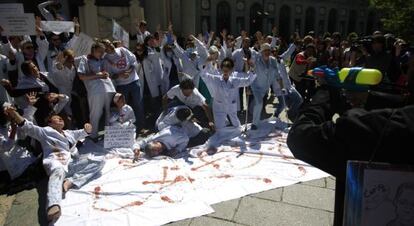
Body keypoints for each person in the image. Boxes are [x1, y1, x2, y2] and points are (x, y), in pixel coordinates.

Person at [287, 54, 414, 226]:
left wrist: (325, 92)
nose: (406, 72)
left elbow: (300, 137)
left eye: (408, 67)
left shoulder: (375, 128)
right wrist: (366, 97)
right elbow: (405, 104)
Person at [6, 108, 103, 223]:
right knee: (58, 172)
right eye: (56, 118)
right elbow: (27, 126)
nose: (60, 118)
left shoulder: (69, 133)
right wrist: (15, 114)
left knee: (99, 161)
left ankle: (71, 181)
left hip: (71, 163)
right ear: (50, 123)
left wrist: (88, 128)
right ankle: (53, 204)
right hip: (56, 163)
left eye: (60, 118)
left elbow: (84, 132)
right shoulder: (45, 132)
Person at [200, 57, 256, 151]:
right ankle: (222, 137)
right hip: (219, 106)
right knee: (219, 129)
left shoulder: (235, 80)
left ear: (231, 70)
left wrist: (252, 69)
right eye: (224, 70)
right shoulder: (215, 79)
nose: (225, 72)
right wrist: (207, 62)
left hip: (231, 106)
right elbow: (203, 75)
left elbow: (248, 81)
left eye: (228, 70)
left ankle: (233, 136)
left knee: (237, 127)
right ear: (221, 70)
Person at [102, 39, 144, 131]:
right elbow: (109, 76)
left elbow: (133, 61)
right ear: (105, 50)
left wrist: (129, 71)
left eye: (110, 43)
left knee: (138, 104)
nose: (111, 46)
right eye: (107, 46)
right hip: (121, 85)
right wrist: (119, 75)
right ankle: (125, 128)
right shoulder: (106, 60)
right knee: (123, 107)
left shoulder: (122, 50)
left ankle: (140, 126)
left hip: (134, 81)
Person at [77, 42, 116, 139]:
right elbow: (81, 76)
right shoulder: (85, 59)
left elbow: (108, 71)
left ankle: (110, 135)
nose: (102, 54)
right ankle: (93, 135)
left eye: (103, 52)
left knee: (109, 112)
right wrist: (97, 76)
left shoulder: (103, 59)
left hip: (108, 88)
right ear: (93, 50)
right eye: (100, 52)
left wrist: (105, 74)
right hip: (95, 90)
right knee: (96, 113)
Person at [250, 43, 280, 130]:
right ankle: (254, 124)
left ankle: (251, 109)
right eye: (265, 50)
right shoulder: (257, 59)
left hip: (265, 87)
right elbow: (251, 67)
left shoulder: (273, 60)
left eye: (268, 50)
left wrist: (280, 86)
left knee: (257, 104)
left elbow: (277, 74)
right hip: (256, 86)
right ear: (262, 52)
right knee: (259, 103)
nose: (267, 52)